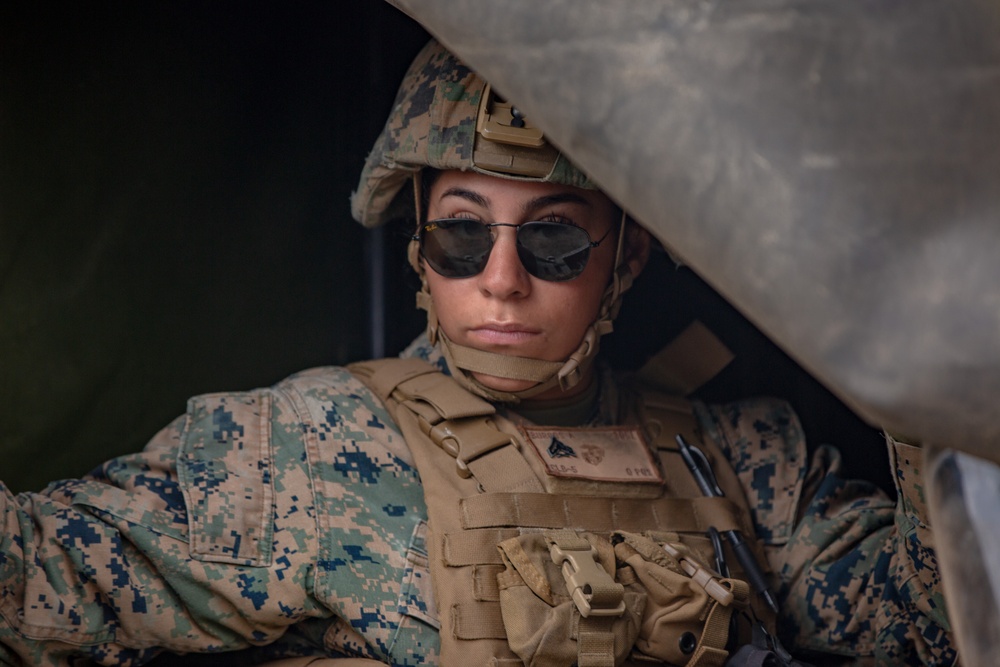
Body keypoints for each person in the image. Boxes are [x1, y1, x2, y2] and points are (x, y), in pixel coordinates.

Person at [0, 40, 956, 667]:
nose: (501, 279)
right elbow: (38, 575)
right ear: (419, 242)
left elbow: (939, 627)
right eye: (463, 235)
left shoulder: (749, 462)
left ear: (624, 256)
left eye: (553, 242)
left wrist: (928, 387)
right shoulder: (308, 448)